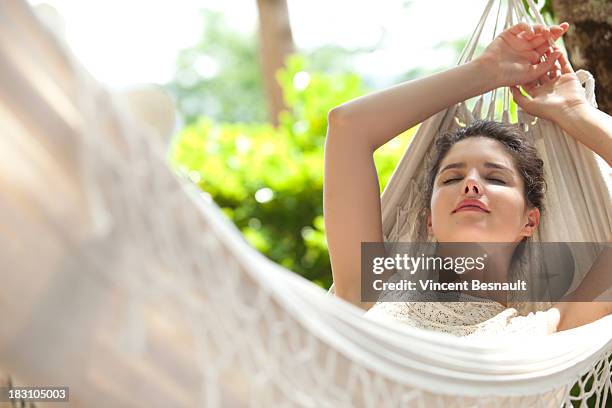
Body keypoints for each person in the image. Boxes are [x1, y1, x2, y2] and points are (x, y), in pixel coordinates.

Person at [324, 22, 612, 334]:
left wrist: (573, 111)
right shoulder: (374, 292)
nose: (470, 185)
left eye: (496, 179)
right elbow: (347, 127)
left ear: (529, 221)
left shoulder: (549, 332)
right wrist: (487, 71)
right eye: (450, 179)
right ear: (429, 220)